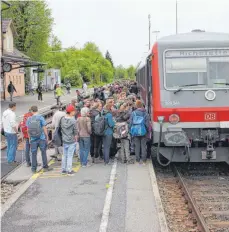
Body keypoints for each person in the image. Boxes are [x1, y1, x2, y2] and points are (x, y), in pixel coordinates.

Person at [26, 106, 52, 173]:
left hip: (33, 139)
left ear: (32, 111)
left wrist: (29, 138)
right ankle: (45, 167)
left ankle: (33, 169)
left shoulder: (29, 119)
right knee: (43, 152)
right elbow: (44, 127)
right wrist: (47, 136)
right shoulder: (40, 117)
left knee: (33, 154)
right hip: (41, 138)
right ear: (37, 110)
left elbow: (28, 129)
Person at [129, 100, 150, 165]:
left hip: (135, 131)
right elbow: (147, 124)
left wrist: (131, 130)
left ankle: (137, 160)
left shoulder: (133, 113)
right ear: (142, 105)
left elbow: (130, 123)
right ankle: (144, 161)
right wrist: (147, 131)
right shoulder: (145, 113)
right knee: (143, 146)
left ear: (136, 106)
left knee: (136, 146)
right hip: (143, 131)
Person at [60, 105, 77, 175]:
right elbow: (75, 130)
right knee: (70, 155)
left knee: (64, 155)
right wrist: (76, 136)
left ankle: (63, 169)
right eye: (74, 111)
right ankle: (69, 170)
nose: (75, 112)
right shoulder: (73, 120)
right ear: (71, 112)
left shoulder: (62, 119)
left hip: (64, 139)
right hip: (71, 140)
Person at [103, 99, 115, 165]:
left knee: (105, 146)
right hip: (108, 132)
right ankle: (107, 161)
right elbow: (111, 124)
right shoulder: (109, 115)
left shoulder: (102, 113)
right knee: (107, 146)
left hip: (103, 131)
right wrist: (114, 123)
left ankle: (105, 159)